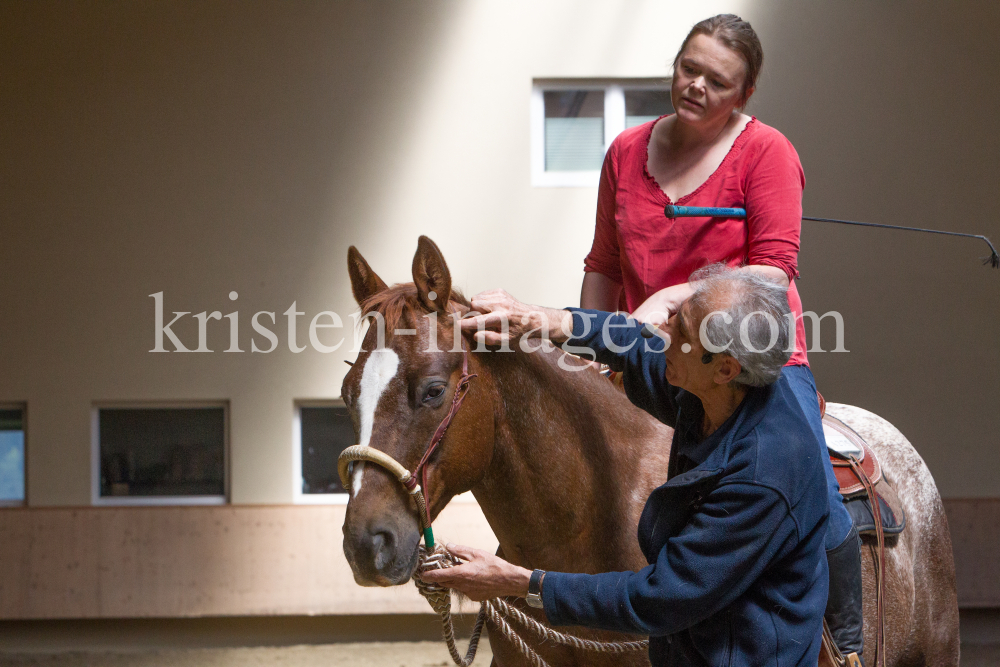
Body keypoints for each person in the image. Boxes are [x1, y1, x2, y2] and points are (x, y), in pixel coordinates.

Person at [579, 14, 864, 664]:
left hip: (755, 362)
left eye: (718, 79)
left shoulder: (768, 152)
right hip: (652, 352)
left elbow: (772, 270)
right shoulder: (625, 152)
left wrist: (671, 300)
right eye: (689, 68)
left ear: (746, 93)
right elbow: (602, 264)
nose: (697, 85)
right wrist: (593, 343)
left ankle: (845, 644)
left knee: (816, 490)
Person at [423, 266, 830, 666]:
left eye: (680, 331)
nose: (662, 331)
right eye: (676, 316)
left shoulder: (766, 471)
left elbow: (662, 597)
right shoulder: (714, 389)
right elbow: (633, 345)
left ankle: (847, 642)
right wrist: (541, 320)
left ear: (725, 369)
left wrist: (517, 582)